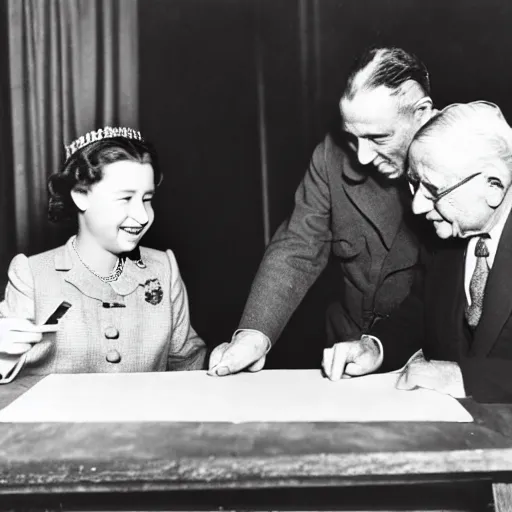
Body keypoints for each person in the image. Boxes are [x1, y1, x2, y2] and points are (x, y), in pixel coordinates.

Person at [209, 46, 436, 376]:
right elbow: (298, 247)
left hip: (422, 358)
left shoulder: (468, 161)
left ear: (423, 113)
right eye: (353, 137)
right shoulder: (332, 156)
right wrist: (254, 334)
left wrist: (380, 345)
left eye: (378, 137)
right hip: (346, 355)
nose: (361, 157)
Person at [321, 101, 512, 403]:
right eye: (415, 184)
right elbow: (423, 310)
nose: (418, 206)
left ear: (493, 185)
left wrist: (466, 378)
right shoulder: (447, 238)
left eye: (434, 190)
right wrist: (375, 347)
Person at [0, 127, 207, 383]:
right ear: (80, 196)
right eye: (125, 198)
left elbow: (190, 367)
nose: (142, 216)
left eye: (147, 199)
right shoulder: (31, 274)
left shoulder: (163, 268)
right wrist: (3, 358)